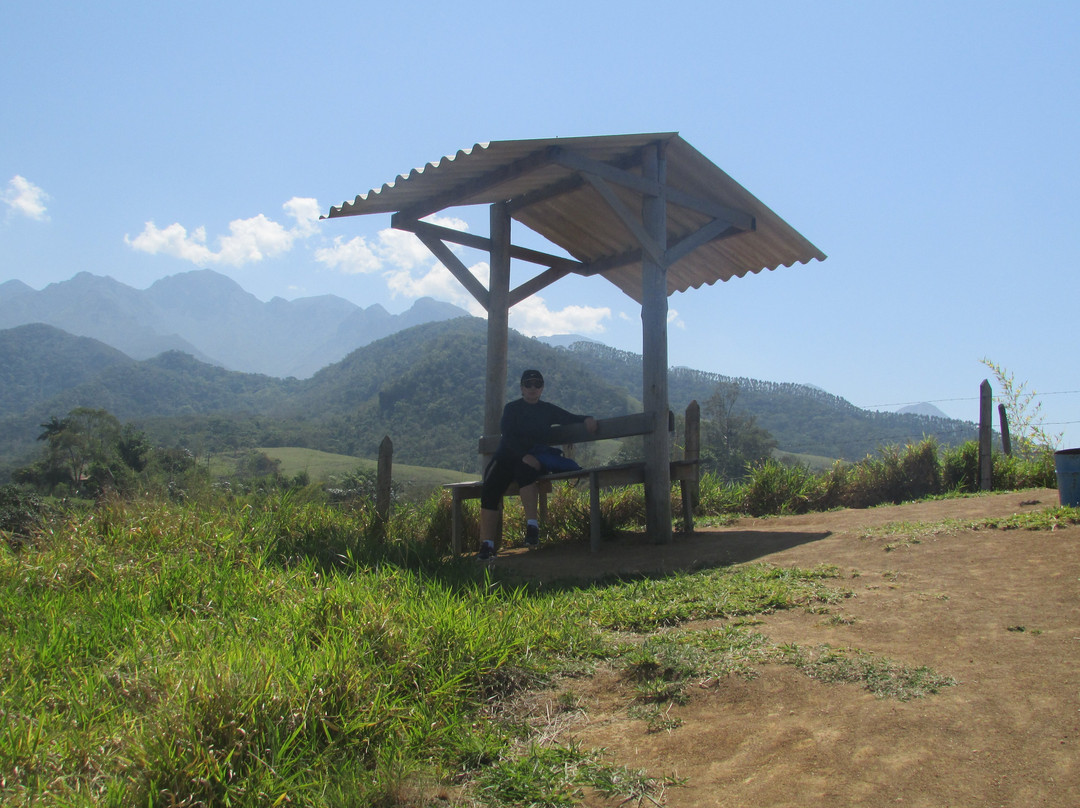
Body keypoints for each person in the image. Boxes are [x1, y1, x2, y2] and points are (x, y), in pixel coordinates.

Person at [478, 369, 597, 560]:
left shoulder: (547, 410)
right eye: (528, 384)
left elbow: (569, 417)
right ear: (521, 388)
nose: (533, 388)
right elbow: (507, 436)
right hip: (507, 457)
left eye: (537, 384)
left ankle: (532, 527)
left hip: (533, 459)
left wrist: (587, 418)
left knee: (527, 473)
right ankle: (487, 545)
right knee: (490, 487)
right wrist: (522, 455)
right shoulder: (512, 408)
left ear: (542, 388)